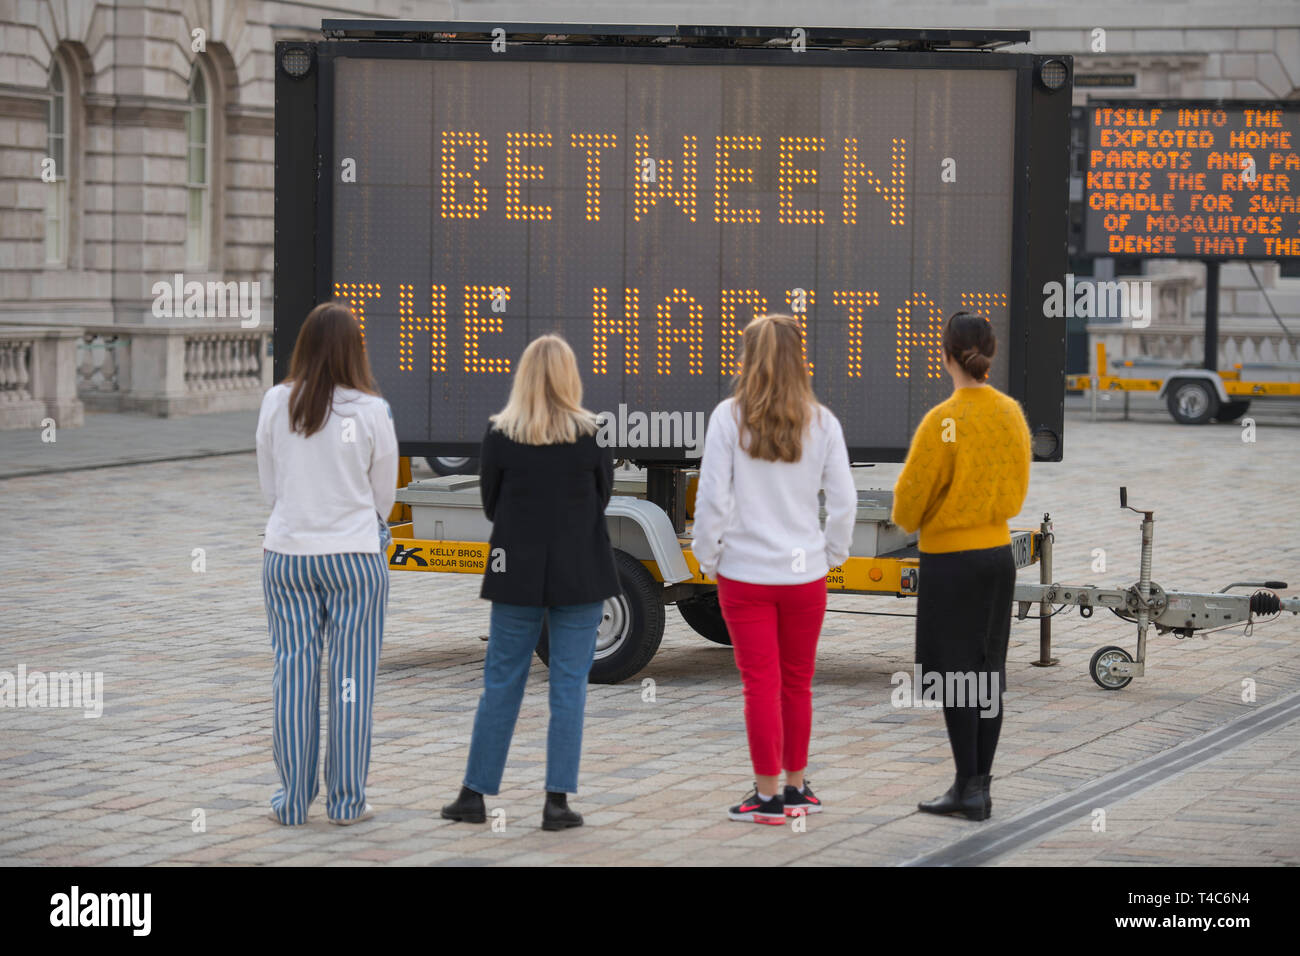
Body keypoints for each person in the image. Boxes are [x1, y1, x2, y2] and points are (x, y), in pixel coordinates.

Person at [441, 334, 620, 831]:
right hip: (580, 571)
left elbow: (492, 505)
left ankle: (473, 795)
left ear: (522, 377)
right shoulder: (591, 435)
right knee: (568, 686)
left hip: (514, 571)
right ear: (570, 378)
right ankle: (556, 803)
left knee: (502, 682)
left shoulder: (500, 435)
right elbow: (601, 500)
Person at [692, 314, 857, 824]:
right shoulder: (822, 421)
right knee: (796, 683)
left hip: (744, 575)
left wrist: (709, 555)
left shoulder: (728, 417)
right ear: (798, 358)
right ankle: (797, 788)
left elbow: (712, 498)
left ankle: (765, 798)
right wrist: (831, 555)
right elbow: (846, 501)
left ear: (749, 359)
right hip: (804, 575)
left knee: (758, 683)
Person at [256, 301, 398, 826]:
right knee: (351, 680)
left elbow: (270, 487)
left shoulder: (276, 403)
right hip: (355, 558)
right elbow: (383, 497)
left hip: (287, 556)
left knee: (292, 676)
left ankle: (292, 803)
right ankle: (346, 803)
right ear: (354, 350)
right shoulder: (372, 410)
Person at [892, 311, 1031, 821]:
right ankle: (980, 787)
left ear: (945, 355)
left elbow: (907, 504)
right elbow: (1017, 491)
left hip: (950, 561)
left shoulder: (942, 421)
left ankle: (964, 787)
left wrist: (933, 515)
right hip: (998, 556)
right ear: (989, 353)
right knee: (987, 672)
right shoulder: (1011, 414)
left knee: (954, 677)